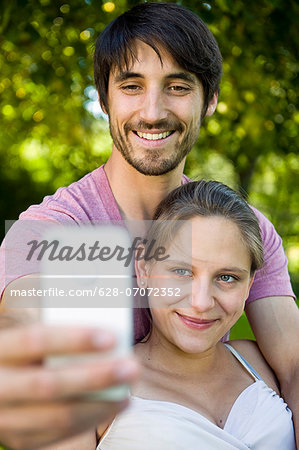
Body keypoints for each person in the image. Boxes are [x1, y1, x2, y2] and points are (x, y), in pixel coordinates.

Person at [0, 2, 298, 449]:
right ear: (104, 99)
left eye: (178, 86)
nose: (153, 111)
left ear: (210, 99)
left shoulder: (245, 226)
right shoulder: (59, 237)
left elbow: (293, 368)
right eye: (132, 86)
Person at [94, 180, 296, 449]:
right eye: (182, 272)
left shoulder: (258, 363)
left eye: (226, 277)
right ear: (143, 270)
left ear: (249, 285)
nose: (201, 303)